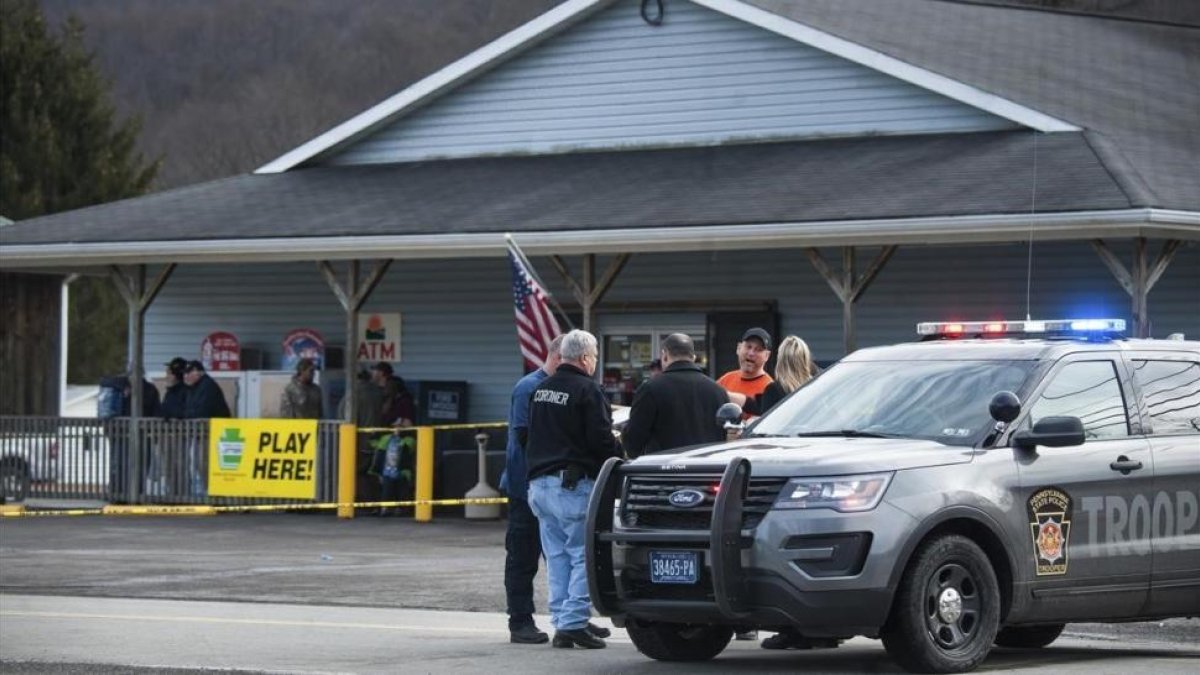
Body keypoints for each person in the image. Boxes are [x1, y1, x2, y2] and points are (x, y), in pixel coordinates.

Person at [521, 329, 620, 649]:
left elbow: (528, 436)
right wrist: (619, 459)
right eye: (594, 357)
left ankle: (563, 622)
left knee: (558, 556)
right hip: (572, 486)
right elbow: (601, 439)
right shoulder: (588, 390)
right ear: (585, 358)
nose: (594, 363)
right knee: (582, 555)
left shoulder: (541, 389)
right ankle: (573, 622)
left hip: (539, 486)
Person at [499, 334, 564, 644]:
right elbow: (525, 438)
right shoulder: (529, 387)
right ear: (557, 357)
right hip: (525, 485)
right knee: (524, 557)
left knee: (560, 557)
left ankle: (567, 619)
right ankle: (520, 621)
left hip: (552, 486)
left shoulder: (559, 388)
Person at [621, 333, 729, 458]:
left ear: (665, 355)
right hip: (706, 471)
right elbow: (723, 439)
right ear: (693, 357)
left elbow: (633, 442)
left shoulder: (650, 389)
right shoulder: (718, 391)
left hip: (664, 472)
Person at [182, 360, 231, 496]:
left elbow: (202, 411)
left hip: (212, 433)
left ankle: (214, 493)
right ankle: (209, 491)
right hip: (202, 433)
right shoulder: (195, 388)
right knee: (199, 462)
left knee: (206, 463)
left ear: (198, 372)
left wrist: (185, 416)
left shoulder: (207, 386)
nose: (185, 376)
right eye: (185, 374)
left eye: (189, 373)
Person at [742, 335, 819, 417]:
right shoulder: (818, 386)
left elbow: (767, 423)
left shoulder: (773, 390)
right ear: (805, 359)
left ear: (780, 359)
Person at [156, 357, 190, 496]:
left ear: (177, 374)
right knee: (169, 465)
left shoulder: (185, 391)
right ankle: (173, 491)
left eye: (169, 373)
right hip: (167, 434)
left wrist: (172, 417)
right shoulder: (170, 391)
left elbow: (184, 411)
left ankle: (182, 492)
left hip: (179, 435)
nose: (166, 376)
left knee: (180, 464)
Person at [371, 362, 414, 427]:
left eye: (375, 370)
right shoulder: (375, 392)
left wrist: (398, 420)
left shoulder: (403, 401)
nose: (372, 373)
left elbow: (408, 423)